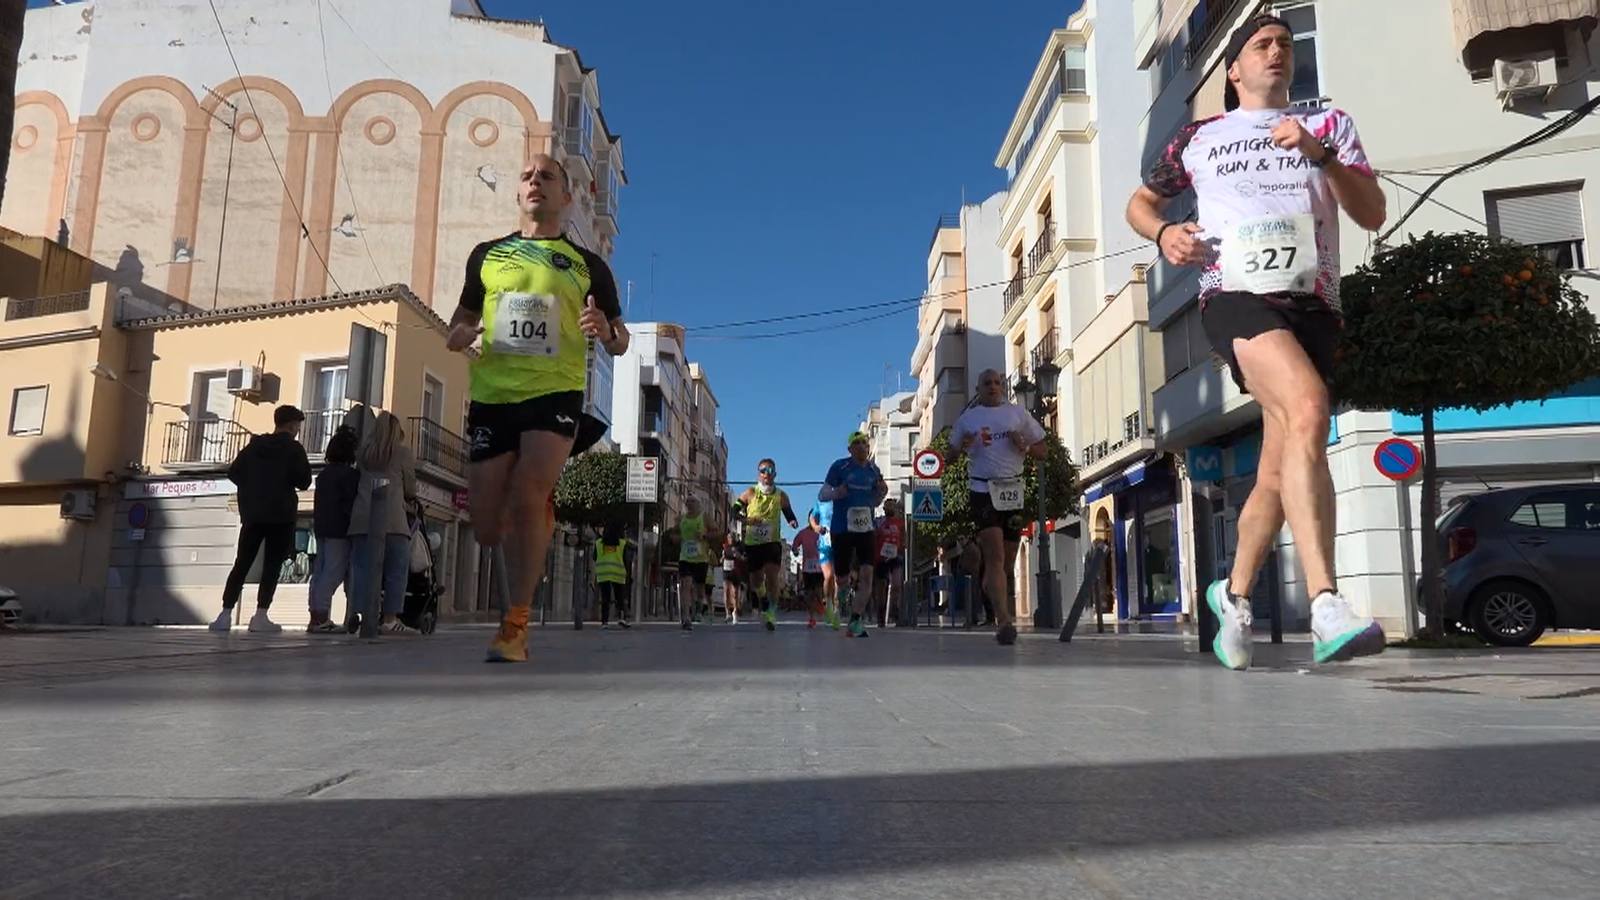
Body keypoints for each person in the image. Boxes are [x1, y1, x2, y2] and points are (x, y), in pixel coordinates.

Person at [1125, 13, 1388, 670]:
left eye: (1285, 45)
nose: (1277, 52)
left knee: (1275, 468)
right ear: (1233, 69)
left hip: (1315, 303)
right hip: (1234, 294)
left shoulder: (1329, 126)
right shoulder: (1199, 137)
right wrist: (1163, 236)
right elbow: (1140, 203)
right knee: (1308, 408)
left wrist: (1319, 154)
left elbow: (1372, 212)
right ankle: (1328, 603)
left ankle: (1233, 595)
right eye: (1262, 45)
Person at [447, 153, 630, 663]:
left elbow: (620, 339)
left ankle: (515, 624)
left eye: (547, 176)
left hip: (556, 392)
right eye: (527, 175)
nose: (535, 182)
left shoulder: (589, 266)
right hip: (493, 395)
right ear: (517, 193)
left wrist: (605, 332)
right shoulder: (485, 255)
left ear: (566, 198)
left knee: (530, 491)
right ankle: (532, 523)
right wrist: (462, 337)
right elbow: (456, 326)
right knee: (485, 523)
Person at [948, 370, 1048, 645]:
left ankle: (989, 586)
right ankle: (1004, 621)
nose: (993, 387)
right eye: (987, 383)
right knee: (994, 556)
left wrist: (1025, 446)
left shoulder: (1017, 413)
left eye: (997, 383)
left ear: (1003, 387)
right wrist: (962, 447)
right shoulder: (968, 419)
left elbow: (1043, 451)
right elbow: (949, 456)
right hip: (981, 489)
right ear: (977, 388)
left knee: (1007, 560)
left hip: (1013, 491)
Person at [212, 404, 312, 634]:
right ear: (292, 425)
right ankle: (260, 616)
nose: (298, 429)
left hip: (253, 514)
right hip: (281, 515)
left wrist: (253, 490)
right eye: (297, 425)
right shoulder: (293, 449)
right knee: (271, 565)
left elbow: (234, 472)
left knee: (242, 563)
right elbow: (304, 481)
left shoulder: (254, 446)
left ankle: (225, 614)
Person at [347, 411, 420, 634]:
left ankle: (360, 616)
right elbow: (410, 488)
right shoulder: (402, 453)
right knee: (396, 570)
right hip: (393, 521)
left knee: (361, 569)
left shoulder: (363, 454)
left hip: (362, 520)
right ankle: (390, 619)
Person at [819, 433, 889, 638]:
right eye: (856, 444)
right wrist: (837, 492)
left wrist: (881, 493)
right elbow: (822, 494)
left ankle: (855, 621)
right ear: (849, 449)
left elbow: (875, 502)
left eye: (864, 444)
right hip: (842, 528)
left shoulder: (874, 470)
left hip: (866, 528)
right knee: (842, 579)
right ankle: (842, 592)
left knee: (867, 575)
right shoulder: (839, 467)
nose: (861, 447)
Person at [734, 459, 800, 631]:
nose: (766, 474)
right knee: (755, 580)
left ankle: (771, 613)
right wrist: (745, 519)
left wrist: (792, 521)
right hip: (753, 543)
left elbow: (789, 514)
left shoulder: (781, 495)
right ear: (758, 474)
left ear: (775, 474)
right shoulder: (749, 493)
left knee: (772, 577)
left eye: (770, 470)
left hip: (772, 542)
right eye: (763, 470)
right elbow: (733, 510)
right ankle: (762, 597)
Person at [307, 426, 360, 633]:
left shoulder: (323, 475)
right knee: (333, 572)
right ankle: (321, 618)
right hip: (340, 529)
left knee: (320, 572)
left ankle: (315, 616)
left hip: (322, 528)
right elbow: (349, 504)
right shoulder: (349, 476)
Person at [675, 497, 709, 632]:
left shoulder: (704, 518)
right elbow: (673, 533)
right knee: (686, 586)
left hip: (701, 559)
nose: (689, 503)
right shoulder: (680, 519)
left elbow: (717, 532)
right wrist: (675, 538)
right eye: (687, 501)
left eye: (693, 501)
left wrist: (704, 536)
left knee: (699, 590)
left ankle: (699, 608)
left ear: (698, 504)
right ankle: (686, 617)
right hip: (685, 557)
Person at [593, 521, 633, 630]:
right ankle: (621, 618)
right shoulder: (622, 544)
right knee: (619, 597)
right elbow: (626, 560)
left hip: (603, 573)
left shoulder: (598, 543)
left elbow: (594, 557)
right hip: (618, 573)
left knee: (605, 598)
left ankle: (604, 622)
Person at [791, 512, 828, 628]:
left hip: (820, 566)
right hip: (807, 567)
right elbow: (794, 545)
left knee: (818, 591)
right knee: (809, 594)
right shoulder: (803, 533)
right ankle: (812, 618)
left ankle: (821, 604)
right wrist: (795, 551)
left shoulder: (823, 532)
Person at [873, 498, 906, 628]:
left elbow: (904, 539)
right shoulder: (879, 522)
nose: (891, 509)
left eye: (893, 507)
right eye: (888, 507)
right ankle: (880, 616)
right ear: (884, 509)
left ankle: (894, 609)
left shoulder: (900, 523)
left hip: (895, 557)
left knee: (897, 584)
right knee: (881, 588)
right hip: (880, 558)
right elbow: (873, 536)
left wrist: (901, 547)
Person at [720, 535, 744, 624]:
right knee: (726, 592)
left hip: (735, 571)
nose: (731, 539)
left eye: (732, 538)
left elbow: (743, 558)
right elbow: (721, 560)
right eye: (729, 538)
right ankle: (727, 613)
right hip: (726, 571)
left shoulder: (739, 547)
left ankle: (735, 612)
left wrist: (738, 555)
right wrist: (722, 558)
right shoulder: (725, 547)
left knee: (735, 593)